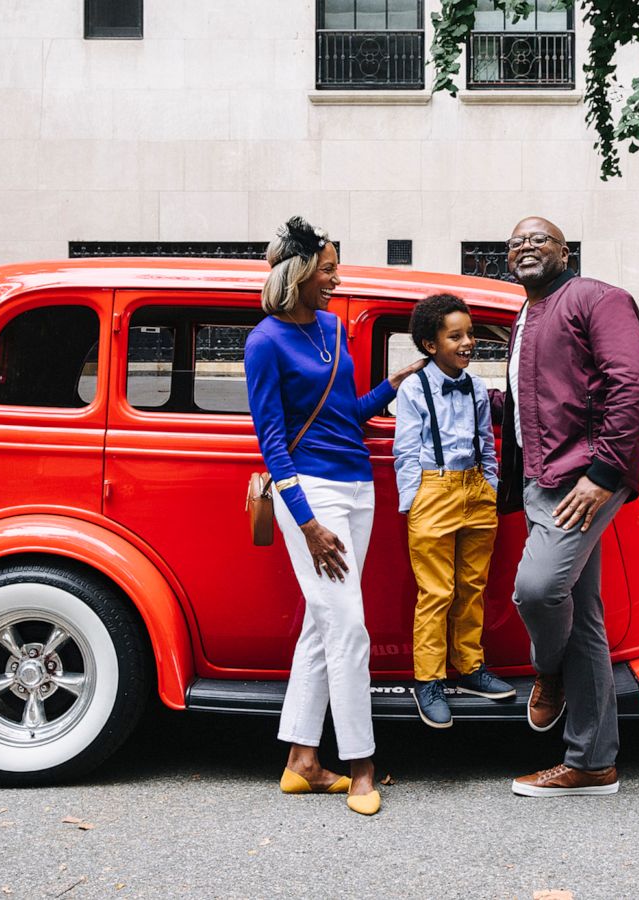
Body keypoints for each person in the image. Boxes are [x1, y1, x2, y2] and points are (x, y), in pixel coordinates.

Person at [244, 216, 426, 816]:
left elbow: (344, 413)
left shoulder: (330, 326)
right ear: (299, 273)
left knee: (323, 625)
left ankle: (301, 762)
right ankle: (361, 766)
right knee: (349, 627)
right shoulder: (264, 341)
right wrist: (307, 521)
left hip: (358, 487)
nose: (336, 279)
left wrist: (392, 385)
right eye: (328, 270)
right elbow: (272, 440)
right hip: (313, 493)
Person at [498, 216, 639, 797]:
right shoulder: (523, 316)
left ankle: (547, 672)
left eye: (539, 239)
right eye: (515, 243)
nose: (525, 248)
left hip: (583, 480)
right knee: (584, 617)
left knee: (537, 590)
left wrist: (604, 474)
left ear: (567, 251)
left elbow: (633, 383)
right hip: (542, 480)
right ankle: (592, 762)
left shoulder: (599, 298)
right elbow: (537, 400)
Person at [393, 293, 514, 730]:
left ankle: (470, 667)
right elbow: (405, 450)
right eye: (455, 336)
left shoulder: (477, 386)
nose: (468, 342)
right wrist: (415, 503)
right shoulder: (413, 387)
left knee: (473, 586)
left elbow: (485, 440)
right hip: (434, 490)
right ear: (431, 345)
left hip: (476, 491)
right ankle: (429, 679)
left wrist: (491, 485)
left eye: (470, 334)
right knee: (436, 592)